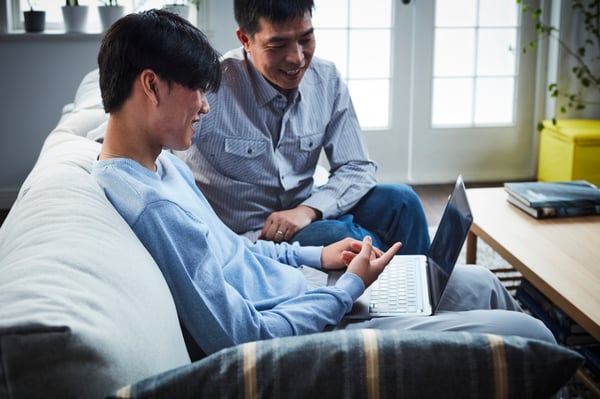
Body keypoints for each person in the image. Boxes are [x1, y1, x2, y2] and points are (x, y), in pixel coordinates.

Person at [92, 9, 554, 358]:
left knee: (485, 282)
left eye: (306, 38)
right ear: (151, 87)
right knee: (530, 334)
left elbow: (237, 255)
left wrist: (319, 257)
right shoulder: (152, 203)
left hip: (305, 278)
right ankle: (424, 320)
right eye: (195, 90)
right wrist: (347, 289)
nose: (205, 106)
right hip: (314, 320)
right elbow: (244, 337)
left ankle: (419, 306)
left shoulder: (159, 166)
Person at [175, 0, 430, 254]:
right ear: (245, 40)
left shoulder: (326, 79)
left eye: (306, 39)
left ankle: (423, 290)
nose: (297, 58)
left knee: (403, 201)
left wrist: (308, 210)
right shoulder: (211, 88)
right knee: (344, 236)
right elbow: (162, 159)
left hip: (305, 210)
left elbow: (357, 167)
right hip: (251, 238)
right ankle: (392, 275)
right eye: (277, 45)